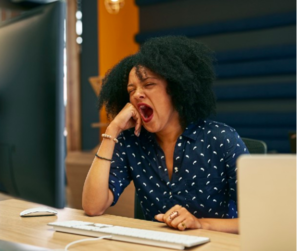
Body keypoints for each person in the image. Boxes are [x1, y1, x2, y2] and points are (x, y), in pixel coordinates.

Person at [82, 36, 248, 234]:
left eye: (148, 84)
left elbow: (261, 220)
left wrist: (202, 223)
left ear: (176, 89)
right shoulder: (131, 142)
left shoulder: (221, 139)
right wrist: (113, 130)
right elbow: (93, 207)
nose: (137, 94)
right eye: (131, 89)